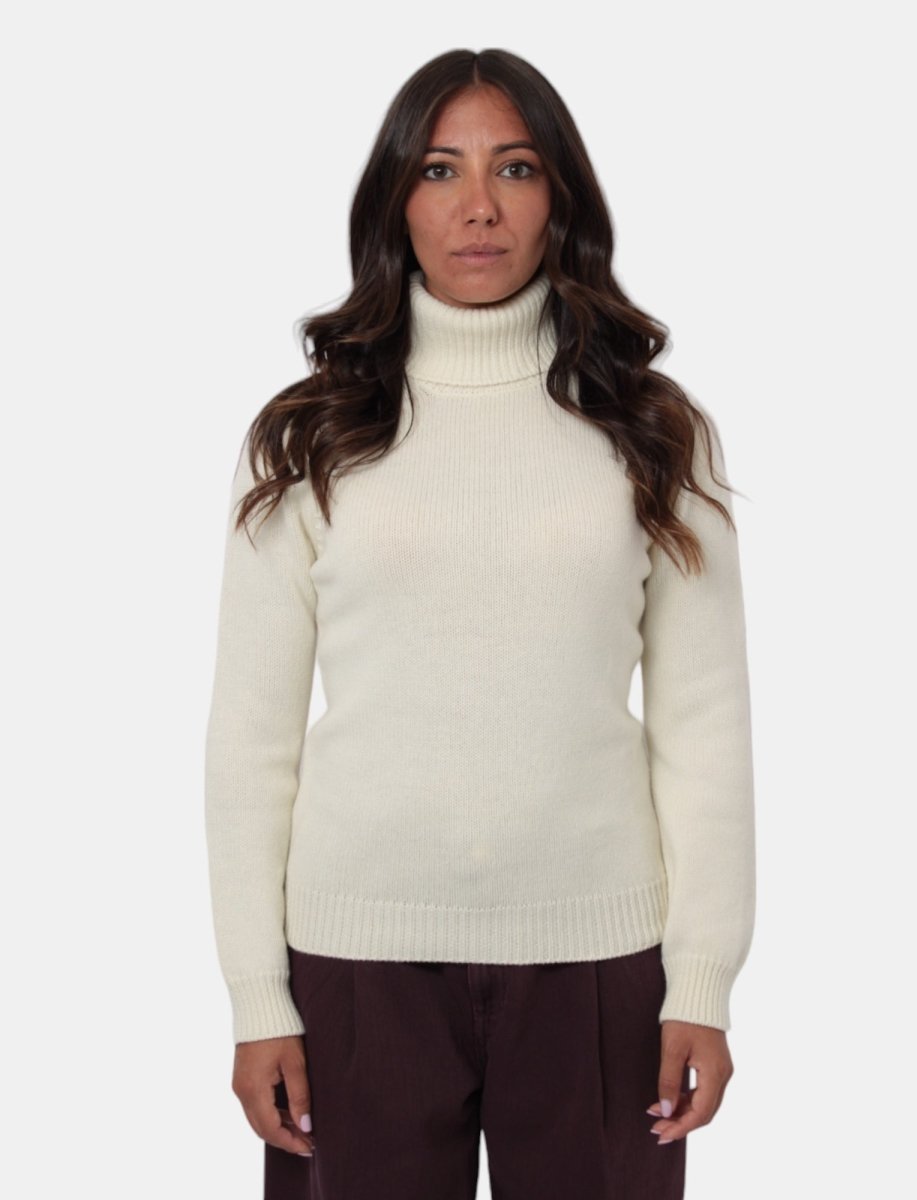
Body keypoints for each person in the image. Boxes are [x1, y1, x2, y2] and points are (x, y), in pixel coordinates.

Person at [204, 47, 756, 1200]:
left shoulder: (653, 431)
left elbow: (705, 728)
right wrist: (260, 1000)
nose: (478, 207)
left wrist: (701, 980)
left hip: (600, 965)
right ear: (395, 199)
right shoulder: (309, 435)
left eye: (515, 168)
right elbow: (251, 743)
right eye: (439, 169)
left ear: (561, 197)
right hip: (356, 967)